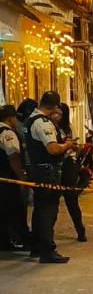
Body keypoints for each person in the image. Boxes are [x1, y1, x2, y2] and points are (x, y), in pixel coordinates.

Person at [24, 91, 76, 263]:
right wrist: (67, 145)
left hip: (37, 170)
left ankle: (37, 246)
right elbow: (53, 149)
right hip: (47, 173)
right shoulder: (43, 123)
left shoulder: (31, 119)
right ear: (54, 106)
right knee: (48, 211)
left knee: (40, 210)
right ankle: (47, 250)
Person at [52, 103, 86, 242]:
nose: (56, 116)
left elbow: (77, 147)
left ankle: (80, 230)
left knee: (71, 200)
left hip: (68, 165)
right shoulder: (48, 126)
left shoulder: (68, 128)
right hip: (54, 166)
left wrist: (71, 147)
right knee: (52, 202)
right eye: (55, 113)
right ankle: (48, 235)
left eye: (59, 113)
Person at [0, 105, 30, 250]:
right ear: (10, 118)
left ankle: (5, 242)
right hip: (9, 178)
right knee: (15, 210)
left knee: (3, 211)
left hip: (3, 178)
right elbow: (13, 157)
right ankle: (21, 239)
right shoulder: (7, 133)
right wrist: (21, 178)